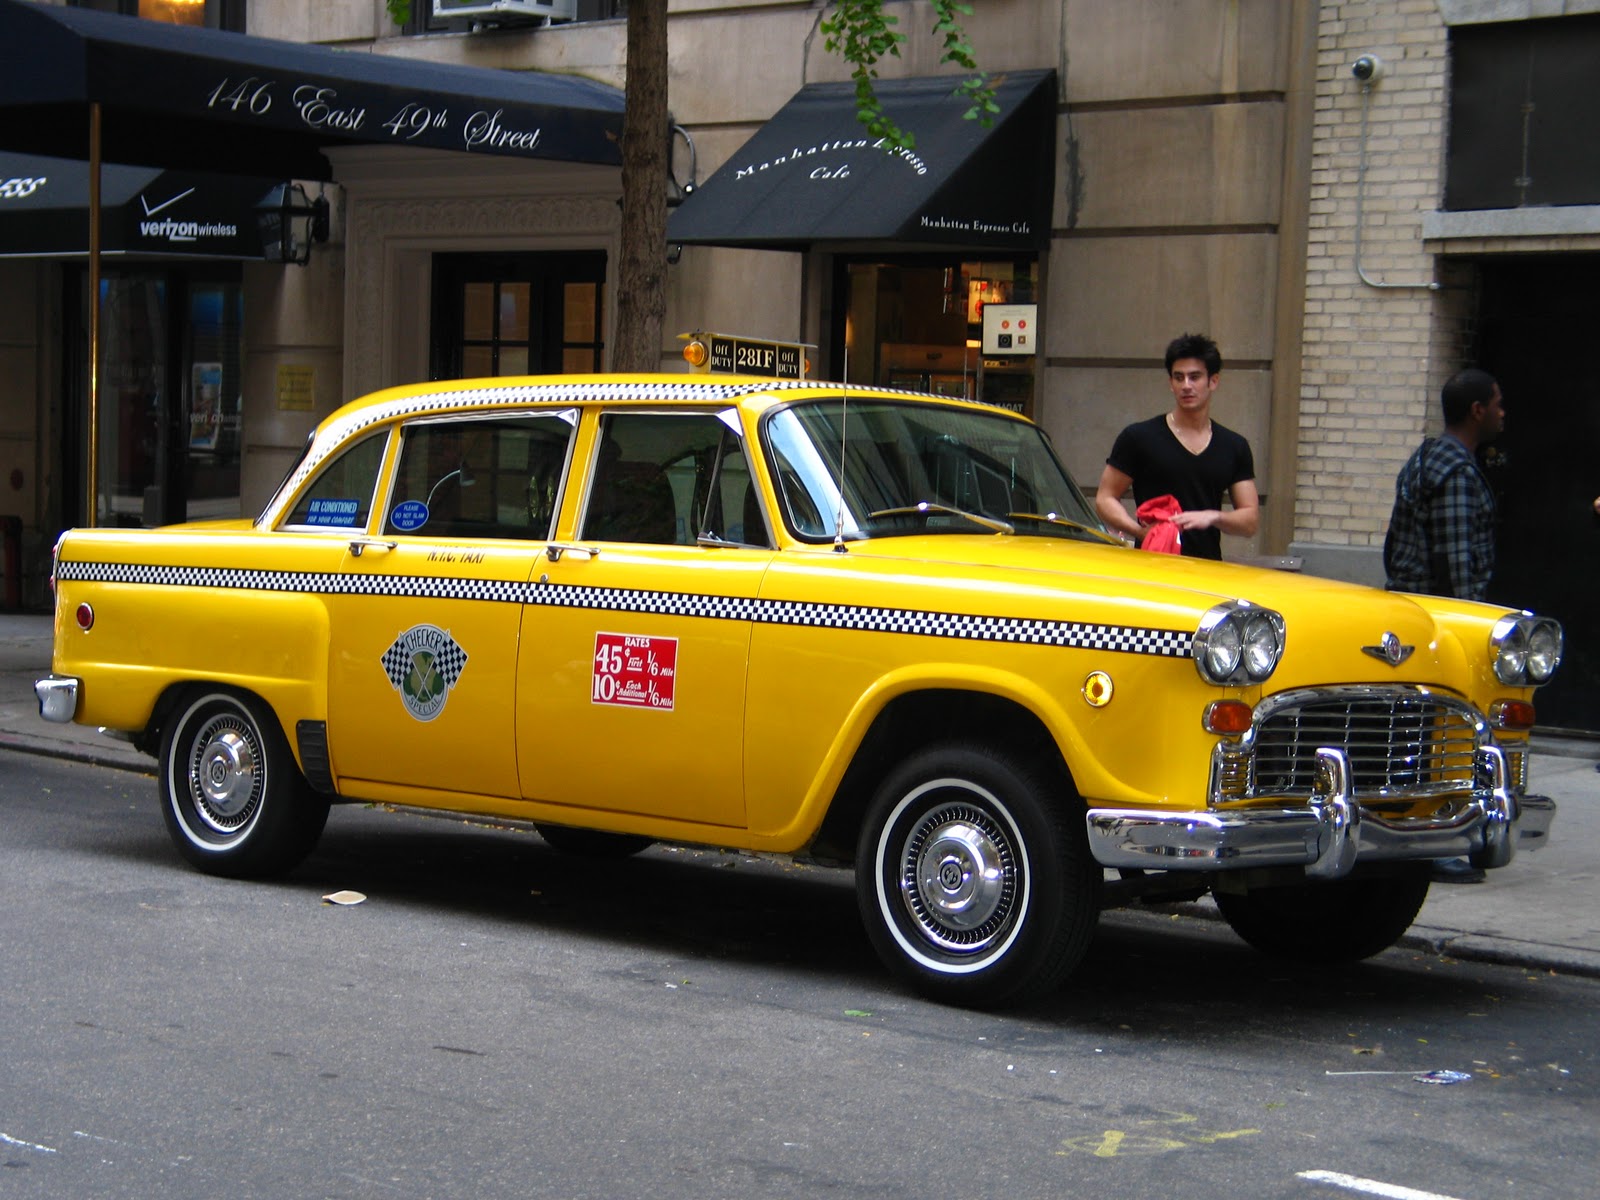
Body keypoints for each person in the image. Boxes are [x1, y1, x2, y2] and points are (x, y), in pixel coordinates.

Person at [1383, 367, 1507, 881]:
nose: (1504, 412)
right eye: (1498, 403)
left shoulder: (1425, 460)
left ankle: (1419, 833)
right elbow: (1456, 563)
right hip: (1442, 622)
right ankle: (1435, 839)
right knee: (1446, 732)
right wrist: (1469, 626)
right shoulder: (1456, 473)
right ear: (1477, 411)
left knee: (1417, 729)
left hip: (1413, 612)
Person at [1095, 333, 1260, 560]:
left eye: (1195, 377)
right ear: (1170, 383)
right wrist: (1140, 532)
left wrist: (1212, 517)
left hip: (1207, 570)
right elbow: (1105, 498)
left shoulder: (1234, 446)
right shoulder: (1139, 437)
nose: (1186, 386)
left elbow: (1250, 521)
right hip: (1152, 565)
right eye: (1178, 377)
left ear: (1213, 381)